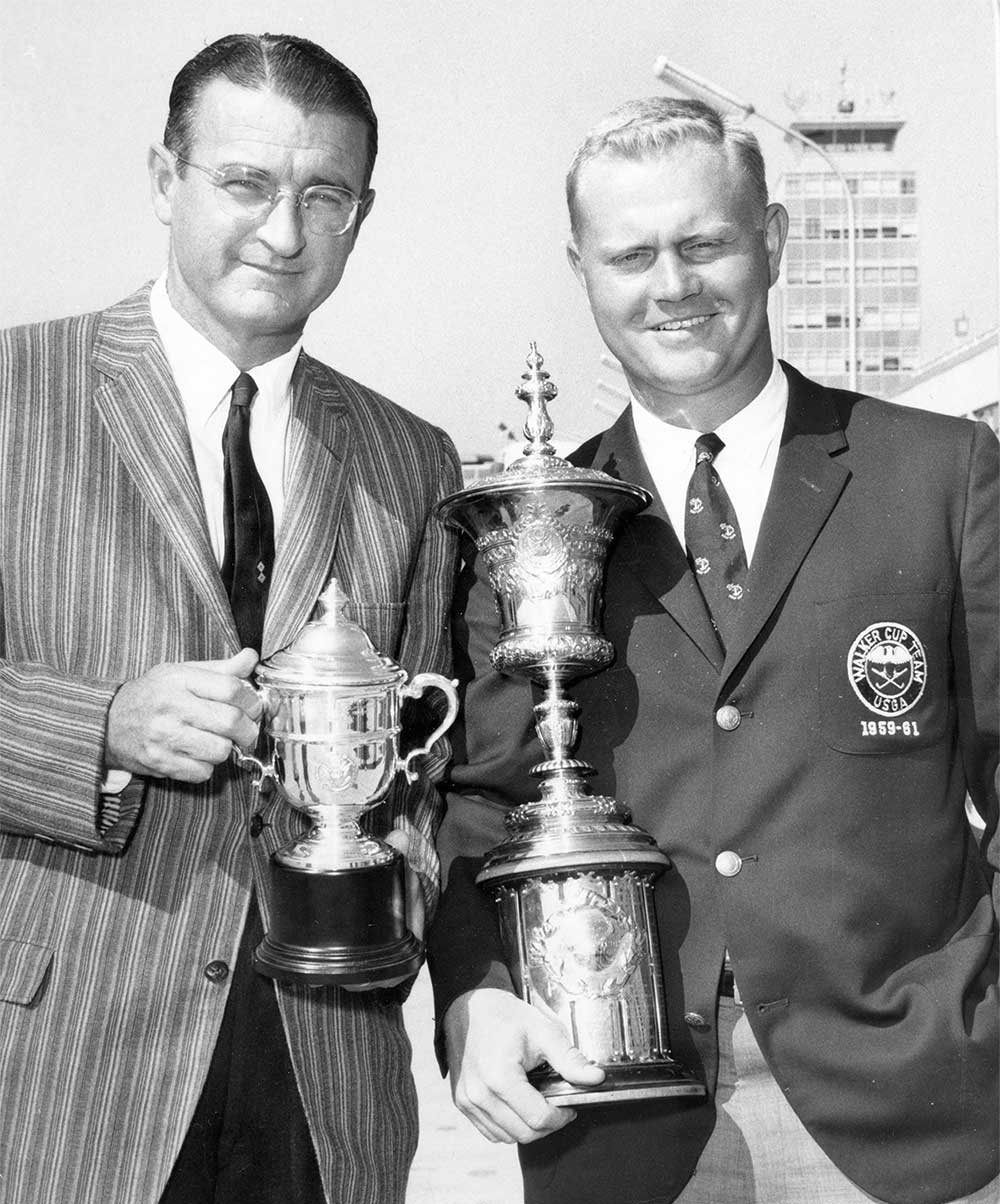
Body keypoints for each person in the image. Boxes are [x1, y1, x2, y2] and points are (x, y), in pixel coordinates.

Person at [428, 97, 998, 1204]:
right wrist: (476, 991)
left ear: (773, 242)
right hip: (615, 1118)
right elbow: (482, 803)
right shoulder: (521, 527)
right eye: (632, 253)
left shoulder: (946, 474)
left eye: (704, 243)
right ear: (582, 269)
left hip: (913, 1112)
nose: (671, 284)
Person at [0, 33, 461, 1204]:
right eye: (244, 184)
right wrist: (101, 722)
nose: (284, 232)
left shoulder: (415, 459)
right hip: (60, 1070)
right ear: (164, 178)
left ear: (365, 211)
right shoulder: (14, 393)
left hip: (325, 1080)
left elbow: (436, 765)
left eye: (325, 195)